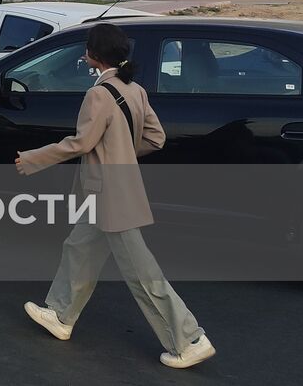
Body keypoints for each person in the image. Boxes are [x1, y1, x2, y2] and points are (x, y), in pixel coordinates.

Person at [16, 23, 214, 370]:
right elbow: (156, 138)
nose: (83, 52)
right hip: (113, 189)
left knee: (142, 274)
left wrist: (33, 159)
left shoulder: (98, 94)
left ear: (94, 55)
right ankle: (61, 315)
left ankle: (188, 340)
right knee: (78, 249)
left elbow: (81, 143)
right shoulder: (133, 89)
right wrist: (121, 152)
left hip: (107, 192)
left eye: (87, 48)